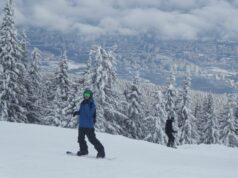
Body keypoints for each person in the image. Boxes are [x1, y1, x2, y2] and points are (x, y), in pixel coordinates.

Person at [73, 89, 105, 158]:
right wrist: (77, 112)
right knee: (80, 139)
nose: (86, 96)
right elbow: (82, 112)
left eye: (87, 95)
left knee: (92, 139)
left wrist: (87, 104)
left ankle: (101, 152)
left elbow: (89, 114)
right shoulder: (83, 103)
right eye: (85, 95)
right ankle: (84, 150)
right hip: (81, 125)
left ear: (90, 96)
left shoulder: (91, 104)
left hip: (89, 126)